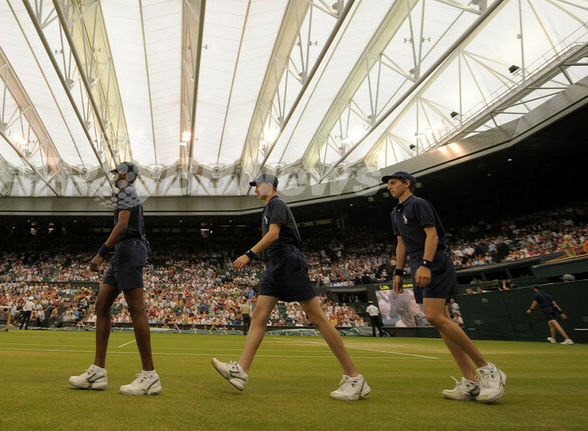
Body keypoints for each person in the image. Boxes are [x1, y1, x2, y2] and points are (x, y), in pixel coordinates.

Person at [211, 174, 370, 400]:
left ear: (269, 186)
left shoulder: (276, 203)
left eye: (257, 186)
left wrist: (249, 254)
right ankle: (241, 370)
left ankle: (354, 378)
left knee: (318, 318)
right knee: (259, 315)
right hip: (275, 265)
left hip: (287, 261)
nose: (255, 190)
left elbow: (274, 234)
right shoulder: (269, 207)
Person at [383, 171, 506, 403]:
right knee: (441, 320)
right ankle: (470, 379)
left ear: (407, 184)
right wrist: (398, 272)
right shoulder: (395, 213)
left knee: (434, 316)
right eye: (389, 184)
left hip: (433, 260)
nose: (389, 187)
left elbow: (432, 236)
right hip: (416, 262)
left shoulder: (418, 204)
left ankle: (487, 369)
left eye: (393, 183)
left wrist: (426, 264)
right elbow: (401, 244)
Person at [69, 162, 160, 395]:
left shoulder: (126, 191)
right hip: (123, 252)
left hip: (129, 250)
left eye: (117, 172)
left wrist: (101, 253)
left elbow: (122, 225)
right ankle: (98, 371)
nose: (114, 176)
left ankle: (150, 376)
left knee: (136, 310)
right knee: (101, 306)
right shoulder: (127, 193)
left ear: (126, 174)